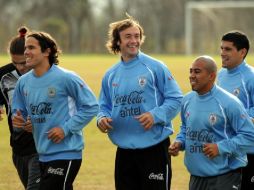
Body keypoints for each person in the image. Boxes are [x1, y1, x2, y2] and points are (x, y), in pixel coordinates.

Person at [97, 15, 183, 190]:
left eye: (137, 36)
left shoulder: (155, 67)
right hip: (124, 151)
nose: (134, 40)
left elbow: (176, 98)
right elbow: (103, 105)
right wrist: (102, 119)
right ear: (117, 41)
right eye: (128, 36)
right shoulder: (110, 74)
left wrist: (155, 115)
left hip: (154, 148)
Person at [11, 30, 98, 190]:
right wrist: (21, 122)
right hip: (42, 154)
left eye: (31, 48)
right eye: (25, 48)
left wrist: (65, 129)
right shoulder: (23, 82)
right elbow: (19, 114)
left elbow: (91, 106)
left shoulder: (66, 78)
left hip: (67, 152)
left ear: (47, 51)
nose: (26, 52)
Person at [169, 55, 254, 190]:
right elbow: (185, 128)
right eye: (190, 71)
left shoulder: (229, 103)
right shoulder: (187, 100)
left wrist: (220, 147)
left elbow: (250, 137)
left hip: (224, 177)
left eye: (197, 72)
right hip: (196, 177)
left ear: (211, 76)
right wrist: (180, 142)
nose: (191, 75)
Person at [0, 26, 41, 189]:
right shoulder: (3, 76)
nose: (21, 68)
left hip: (43, 146)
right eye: (15, 63)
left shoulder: (45, 72)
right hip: (18, 147)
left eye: (24, 62)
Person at [217, 31, 254, 190]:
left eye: (228, 49)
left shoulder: (251, 77)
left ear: (242, 52)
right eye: (221, 48)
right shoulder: (219, 75)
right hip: (226, 150)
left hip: (248, 151)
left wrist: (238, 118)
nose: (222, 53)